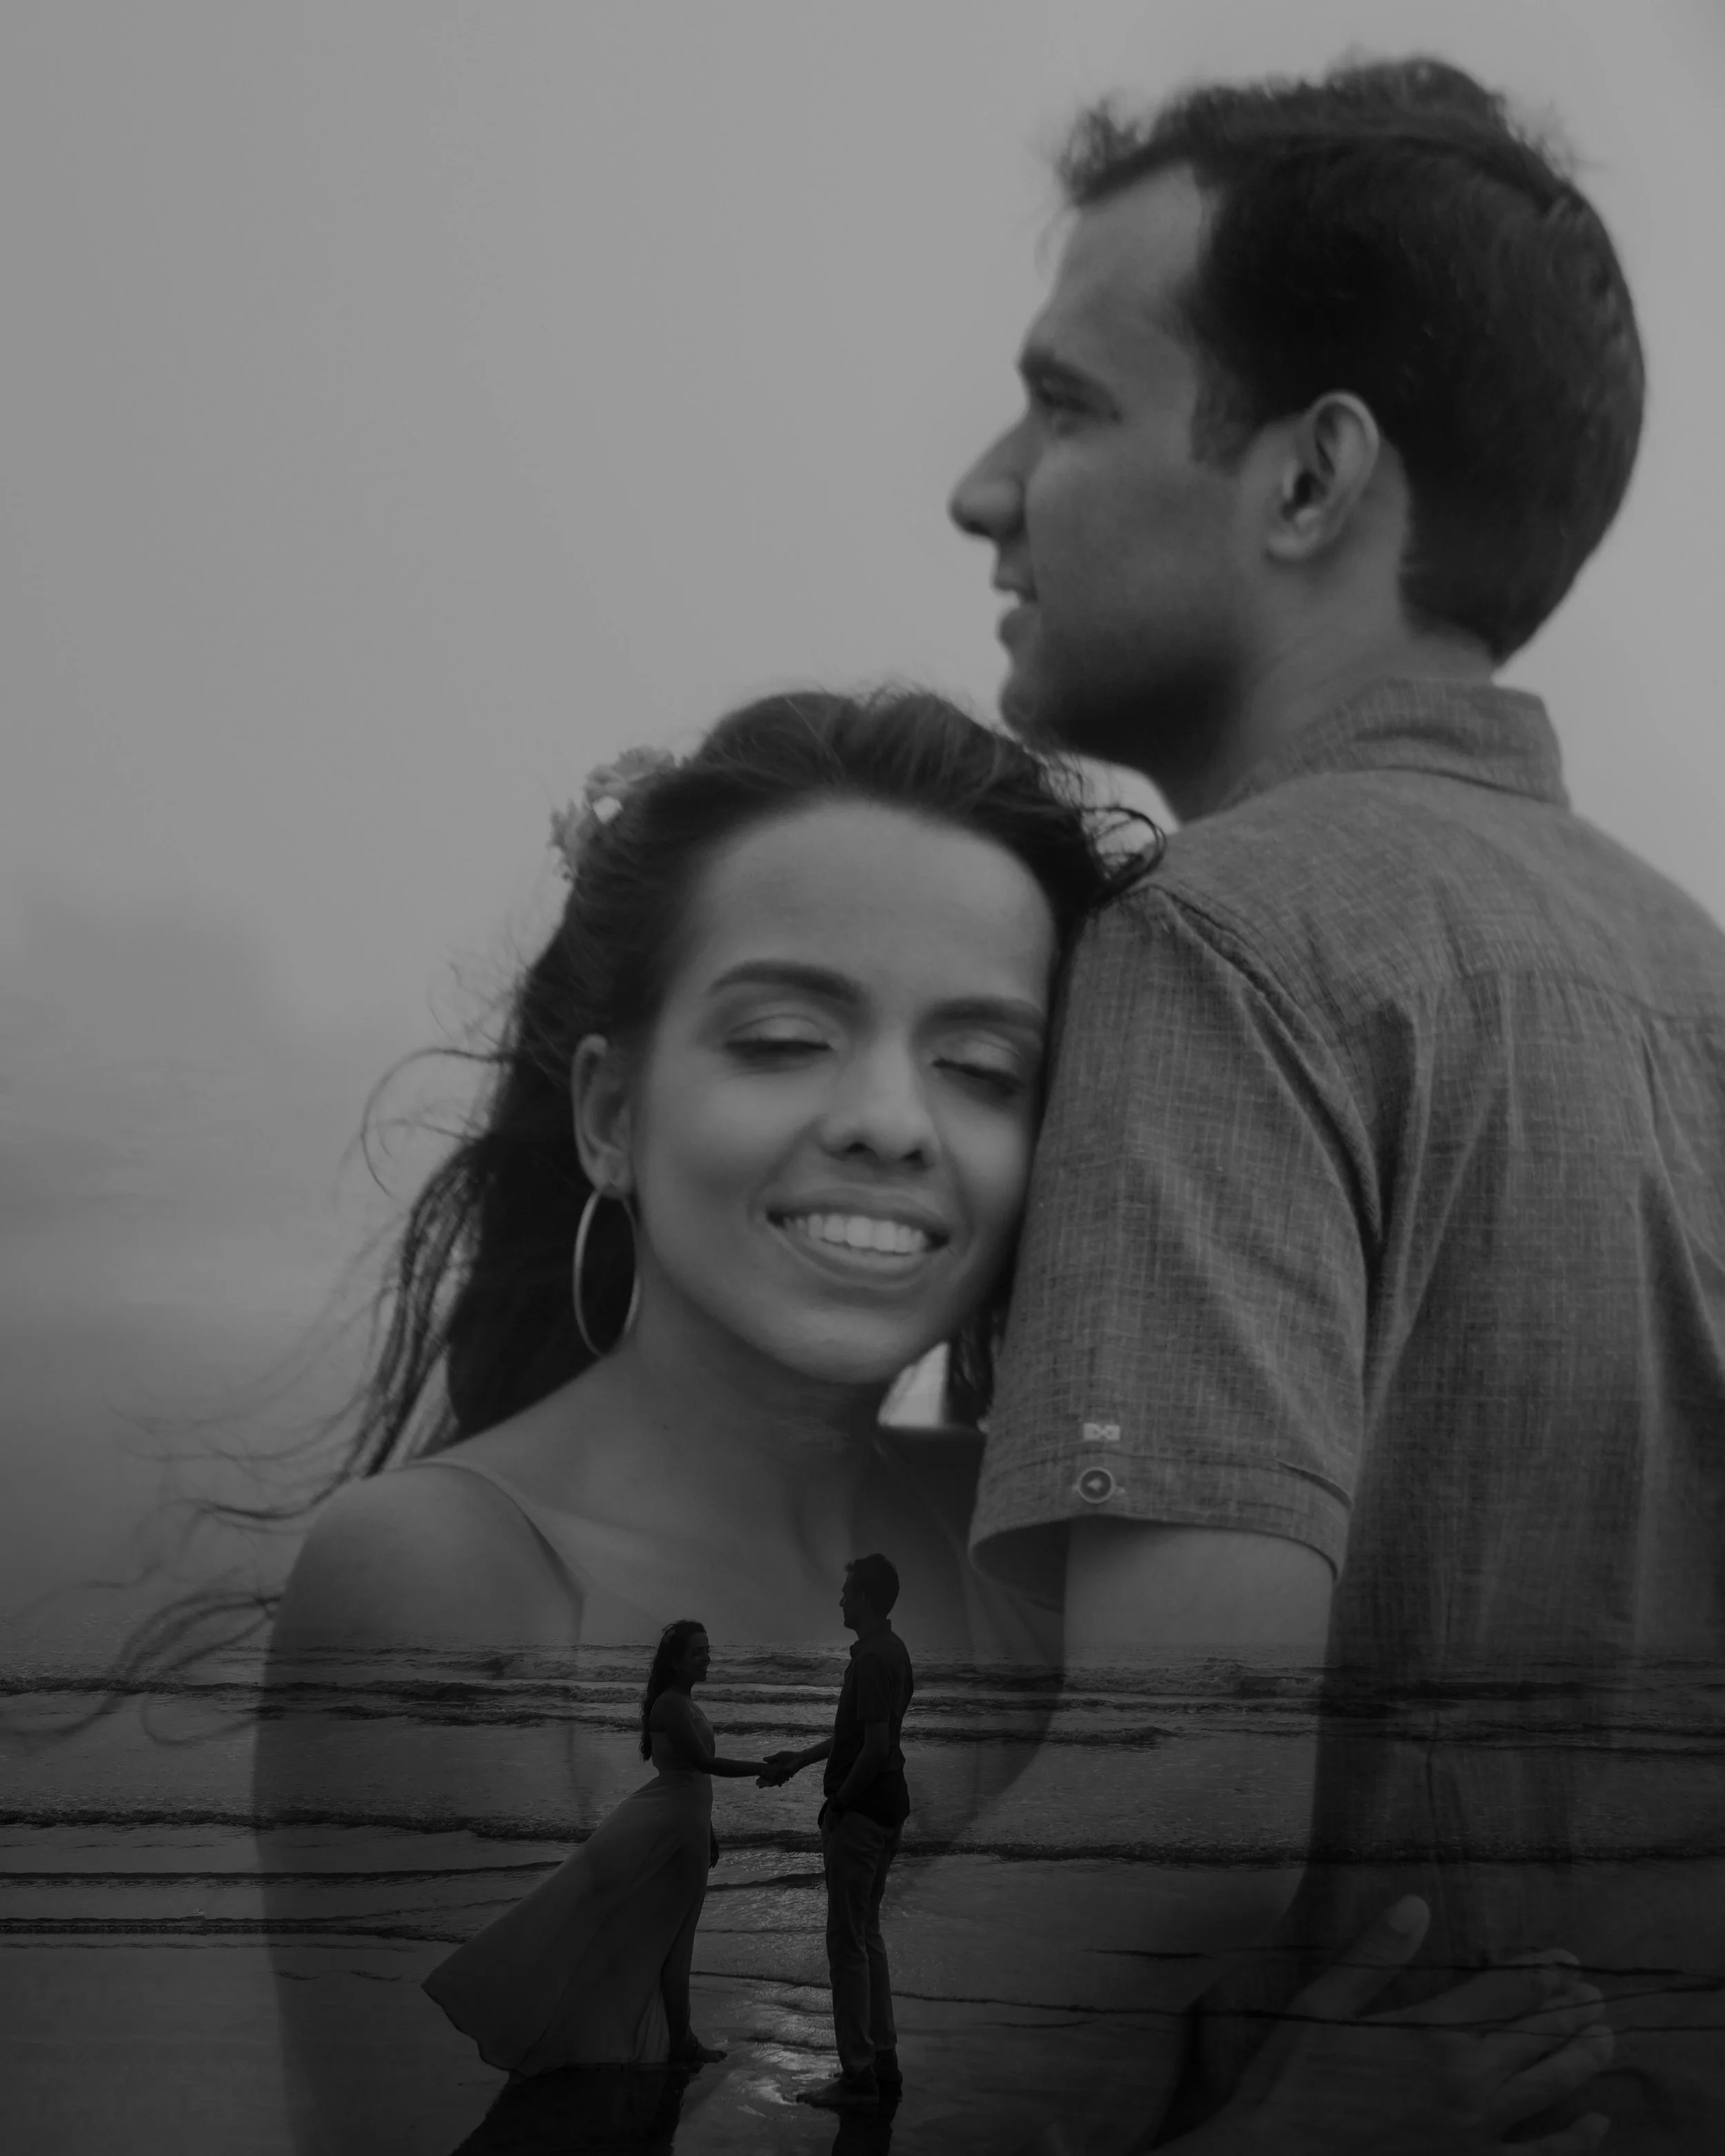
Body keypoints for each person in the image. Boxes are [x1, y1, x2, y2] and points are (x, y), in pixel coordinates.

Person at [255, 688, 1613, 2155]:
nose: (892, 1120)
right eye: (782, 1036)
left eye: (981, 1069)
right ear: (606, 1109)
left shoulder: (1043, 1556)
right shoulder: (441, 1575)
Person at [947, 54, 1725, 2150]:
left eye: (1066, 402)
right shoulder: (1686, 977)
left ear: (1305, 482)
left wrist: (740, 2103)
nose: (980, 482)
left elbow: (1175, 1797)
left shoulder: (1219, 946)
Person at [422, 1619, 760, 2073]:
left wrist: (709, 1829)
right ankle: (681, 2041)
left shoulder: (686, 1703)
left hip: (686, 1828)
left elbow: (693, 1778)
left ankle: (679, 2038)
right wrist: (766, 1767)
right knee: (672, 1941)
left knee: (675, 1939)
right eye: (697, 1651)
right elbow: (702, 1763)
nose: (707, 1657)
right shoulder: (671, 1705)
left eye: (707, 1649)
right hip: (672, 1831)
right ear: (677, 1660)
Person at [760, 1553, 916, 2112]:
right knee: (866, 1937)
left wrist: (838, 1805)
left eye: (848, 1591)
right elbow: (857, 1737)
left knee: (846, 1946)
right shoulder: (890, 1651)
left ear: (868, 1599)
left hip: (865, 1812)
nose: (842, 1599)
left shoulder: (873, 1658)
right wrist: (800, 1760)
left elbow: (873, 1748)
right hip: (888, 1807)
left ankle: (858, 2077)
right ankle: (884, 2061)